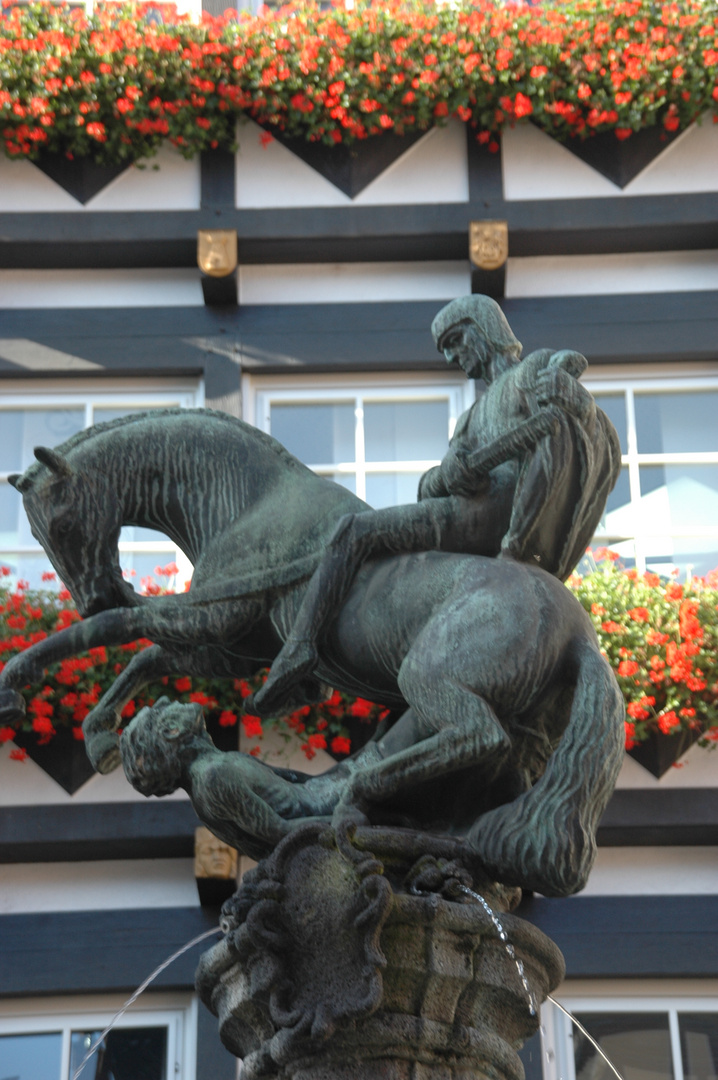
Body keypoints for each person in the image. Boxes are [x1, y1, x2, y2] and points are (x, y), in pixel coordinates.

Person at [250, 295, 621, 717]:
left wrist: (576, 397)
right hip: (467, 503)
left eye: (457, 340)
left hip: (487, 516)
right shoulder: (471, 416)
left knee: (354, 531)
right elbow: (433, 488)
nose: (451, 354)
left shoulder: (532, 370)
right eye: (446, 346)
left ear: (487, 332)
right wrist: (448, 474)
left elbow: (573, 392)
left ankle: (300, 651)